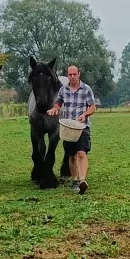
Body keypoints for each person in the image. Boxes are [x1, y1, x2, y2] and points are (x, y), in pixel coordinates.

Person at [47, 65, 96, 194]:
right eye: (70, 74)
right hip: (68, 128)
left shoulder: (86, 89)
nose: (72, 77)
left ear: (79, 74)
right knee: (72, 156)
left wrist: (85, 114)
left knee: (81, 153)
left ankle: (82, 180)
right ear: (67, 75)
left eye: (75, 74)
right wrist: (55, 108)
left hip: (82, 127)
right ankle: (74, 180)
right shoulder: (63, 90)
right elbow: (58, 103)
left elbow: (92, 107)